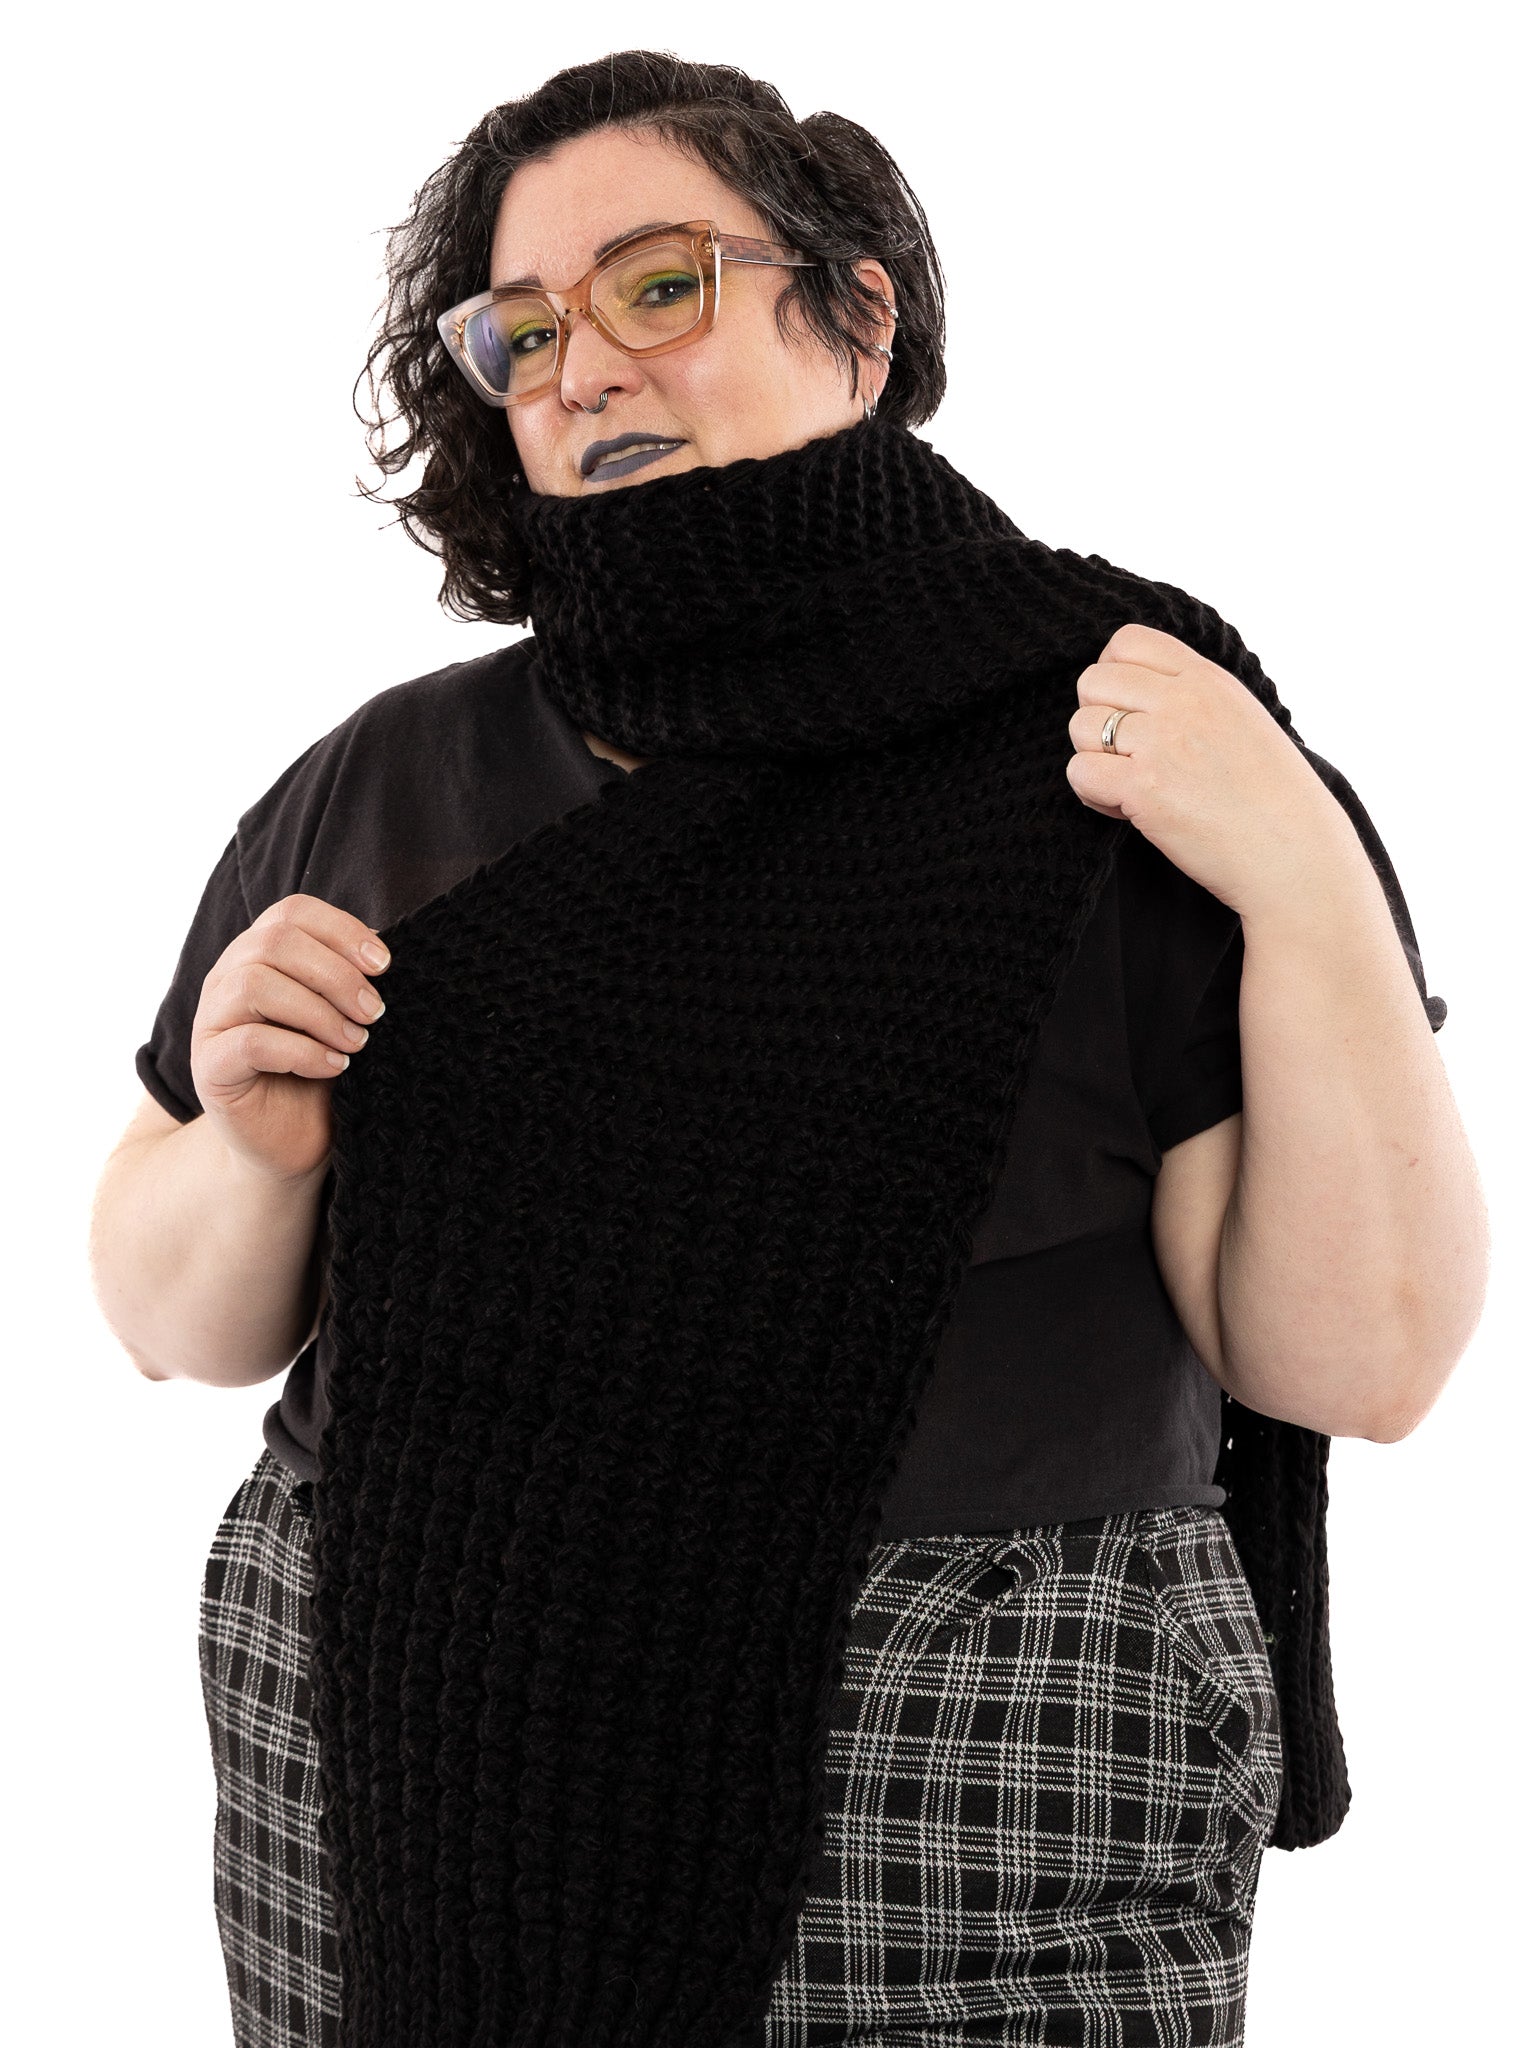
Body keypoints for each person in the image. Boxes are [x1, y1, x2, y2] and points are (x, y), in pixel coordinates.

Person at [91, 49, 1485, 2048]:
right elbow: (171, 1323)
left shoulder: (1132, 757)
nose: (583, 365)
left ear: (860, 310)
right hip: (398, 1736)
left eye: (660, 284)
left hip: (976, 1771)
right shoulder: (389, 779)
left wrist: (1308, 873)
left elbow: (1362, 1359)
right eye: (523, 330)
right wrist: (253, 1144)